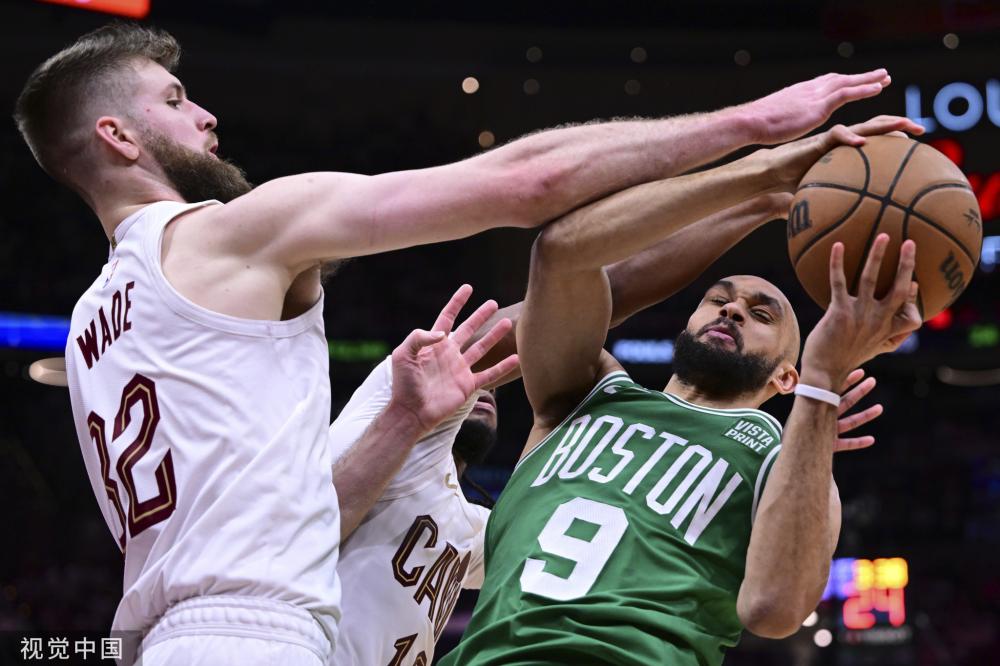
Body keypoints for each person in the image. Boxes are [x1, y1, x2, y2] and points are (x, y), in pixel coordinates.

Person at [14, 18, 904, 665]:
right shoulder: (233, 231)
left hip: (167, 636)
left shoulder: (96, 328)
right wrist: (753, 132)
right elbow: (532, 187)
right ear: (118, 136)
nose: (205, 115)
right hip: (259, 634)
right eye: (174, 100)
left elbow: (579, 299)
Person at [440, 116, 924, 665]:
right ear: (686, 324)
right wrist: (760, 188)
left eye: (762, 314)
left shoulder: (783, 461)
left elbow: (774, 609)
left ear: (785, 376)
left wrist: (824, 380)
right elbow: (563, 249)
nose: (734, 308)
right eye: (718, 300)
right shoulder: (586, 394)